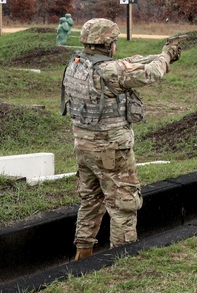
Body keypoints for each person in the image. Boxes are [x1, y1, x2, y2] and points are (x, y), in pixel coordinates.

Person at [61, 19, 180, 260]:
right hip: (111, 150)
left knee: (90, 200)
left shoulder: (76, 66)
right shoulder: (110, 72)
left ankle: (82, 254)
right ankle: (121, 261)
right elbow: (151, 72)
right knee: (123, 205)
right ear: (107, 44)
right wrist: (165, 56)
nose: (116, 46)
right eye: (114, 41)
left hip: (83, 147)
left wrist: (157, 53)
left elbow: (128, 63)